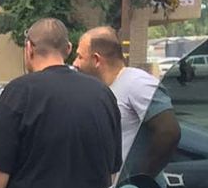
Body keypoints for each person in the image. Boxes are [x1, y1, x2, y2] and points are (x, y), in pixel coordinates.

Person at [0, 19, 120, 188]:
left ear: (29, 48)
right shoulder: (103, 94)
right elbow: (111, 170)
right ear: (68, 49)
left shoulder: (19, 92)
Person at [75, 25, 181, 179]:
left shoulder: (136, 82)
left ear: (97, 59)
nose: (75, 63)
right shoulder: (103, 91)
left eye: (80, 57)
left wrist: (142, 179)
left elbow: (169, 130)